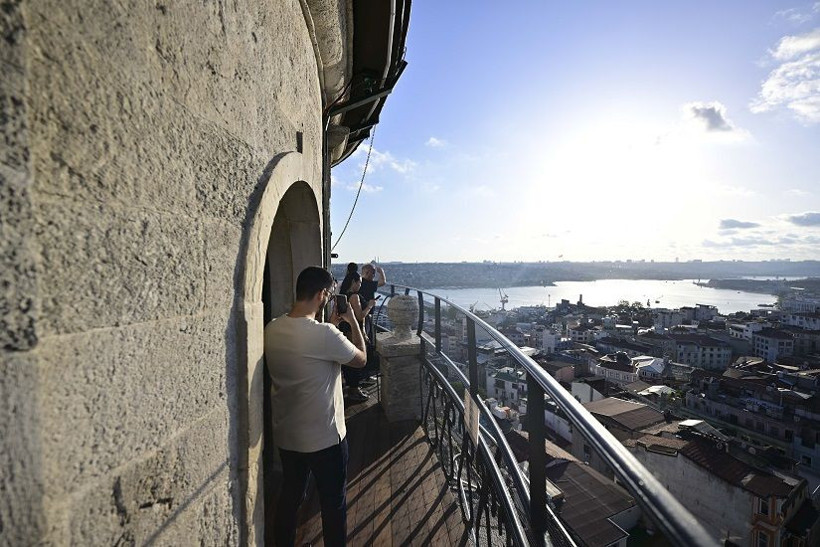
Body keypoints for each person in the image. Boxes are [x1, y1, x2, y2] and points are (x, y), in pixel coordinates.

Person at [264, 266, 366, 547]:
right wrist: (353, 320)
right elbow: (361, 358)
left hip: (288, 436)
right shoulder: (324, 335)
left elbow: (309, 353)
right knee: (333, 505)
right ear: (322, 294)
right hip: (325, 439)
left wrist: (330, 327)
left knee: (291, 497)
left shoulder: (272, 328)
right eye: (329, 294)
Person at [337, 271, 375, 402]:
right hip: (354, 331)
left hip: (346, 331)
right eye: (359, 282)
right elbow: (360, 316)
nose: (360, 285)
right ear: (354, 282)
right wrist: (370, 306)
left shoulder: (343, 294)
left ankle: (353, 387)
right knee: (357, 359)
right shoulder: (354, 297)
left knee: (349, 359)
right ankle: (354, 389)